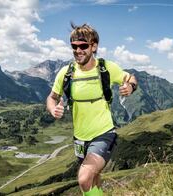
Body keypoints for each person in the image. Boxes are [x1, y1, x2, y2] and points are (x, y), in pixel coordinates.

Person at [46, 23, 137, 195]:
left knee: (84, 177)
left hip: (104, 133)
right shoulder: (66, 73)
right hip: (80, 139)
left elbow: (131, 77)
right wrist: (52, 109)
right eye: (74, 46)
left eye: (83, 46)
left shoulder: (106, 68)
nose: (78, 50)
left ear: (94, 46)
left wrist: (130, 87)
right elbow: (52, 97)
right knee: (93, 178)